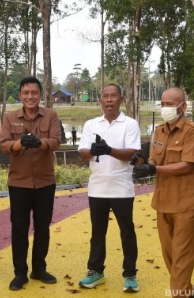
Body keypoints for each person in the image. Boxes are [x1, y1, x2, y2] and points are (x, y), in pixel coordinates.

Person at [132, 87, 194, 298]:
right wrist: (142, 162)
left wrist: (154, 169)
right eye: (163, 104)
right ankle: (185, 291)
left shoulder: (193, 131)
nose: (165, 108)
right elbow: (155, 159)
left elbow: (188, 166)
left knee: (182, 255)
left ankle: (179, 294)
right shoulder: (159, 131)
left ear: (183, 106)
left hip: (185, 202)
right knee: (170, 254)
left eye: (170, 104)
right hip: (163, 201)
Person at [0, 77, 63, 291]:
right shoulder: (10, 117)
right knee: (19, 229)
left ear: (40, 94)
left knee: (42, 228)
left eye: (34, 92)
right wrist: (19, 143)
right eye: (26, 93)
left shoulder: (51, 115)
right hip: (19, 183)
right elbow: (4, 145)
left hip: (45, 182)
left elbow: (56, 140)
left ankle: (39, 269)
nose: (30, 96)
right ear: (20, 95)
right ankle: (20, 273)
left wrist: (40, 143)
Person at [76, 84, 141, 292]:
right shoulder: (91, 124)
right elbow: (83, 154)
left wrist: (109, 150)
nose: (109, 100)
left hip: (122, 187)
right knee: (97, 233)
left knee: (127, 232)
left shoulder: (130, 124)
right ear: (100, 100)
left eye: (114, 96)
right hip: (97, 188)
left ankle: (130, 274)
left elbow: (132, 154)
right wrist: (93, 150)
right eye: (106, 96)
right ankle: (96, 271)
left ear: (122, 99)